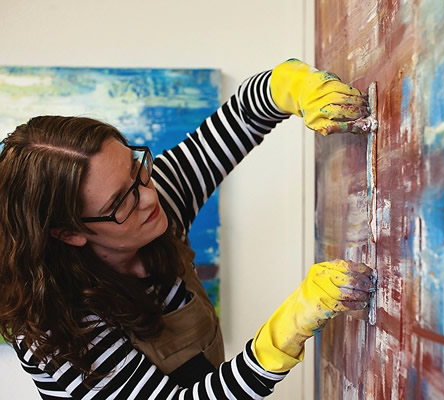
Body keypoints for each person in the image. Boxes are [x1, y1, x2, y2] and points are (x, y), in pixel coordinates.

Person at [0, 59, 374, 399]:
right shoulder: (57, 331)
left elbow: (241, 118)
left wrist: (287, 86)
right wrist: (281, 337)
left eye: (136, 168)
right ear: (68, 233)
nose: (148, 197)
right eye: (119, 202)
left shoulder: (152, 193)